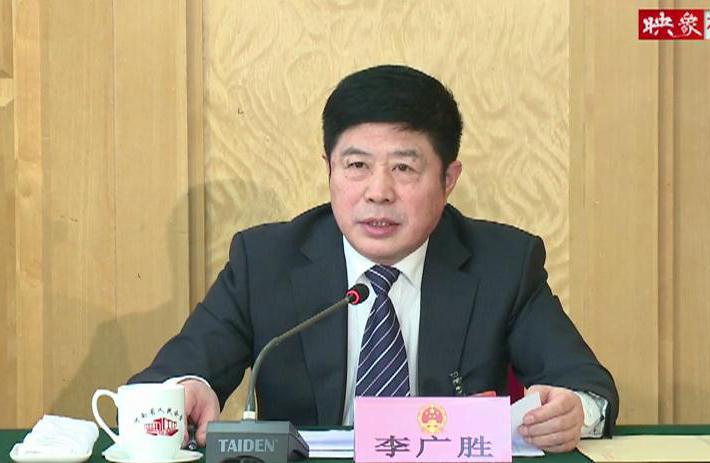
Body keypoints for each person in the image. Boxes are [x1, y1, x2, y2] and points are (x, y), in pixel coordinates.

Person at [129, 64, 618, 453]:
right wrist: (185, 391)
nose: (378, 192)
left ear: (448, 180)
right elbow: (168, 378)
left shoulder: (503, 264)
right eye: (357, 165)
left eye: (404, 168)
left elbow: (587, 386)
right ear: (329, 169)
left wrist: (573, 410)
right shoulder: (266, 261)